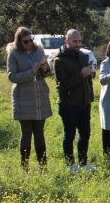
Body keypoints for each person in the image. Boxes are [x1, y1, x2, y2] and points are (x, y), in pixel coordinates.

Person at [6, 27, 52, 170]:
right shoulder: (13, 54)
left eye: (31, 40)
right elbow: (12, 76)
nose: (29, 43)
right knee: (26, 133)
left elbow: (47, 73)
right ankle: (24, 166)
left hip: (40, 97)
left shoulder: (39, 50)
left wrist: (45, 68)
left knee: (39, 132)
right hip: (23, 99)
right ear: (18, 41)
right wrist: (31, 72)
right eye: (26, 41)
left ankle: (43, 166)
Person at [52, 28, 97, 172]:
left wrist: (89, 96)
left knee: (85, 134)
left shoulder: (84, 56)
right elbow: (63, 85)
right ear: (67, 41)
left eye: (79, 41)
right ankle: (70, 165)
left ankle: (83, 163)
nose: (78, 44)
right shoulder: (59, 60)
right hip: (68, 104)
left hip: (84, 103)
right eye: (74, 41)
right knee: (69, 135)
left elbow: (88, 80)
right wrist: (82, 75)